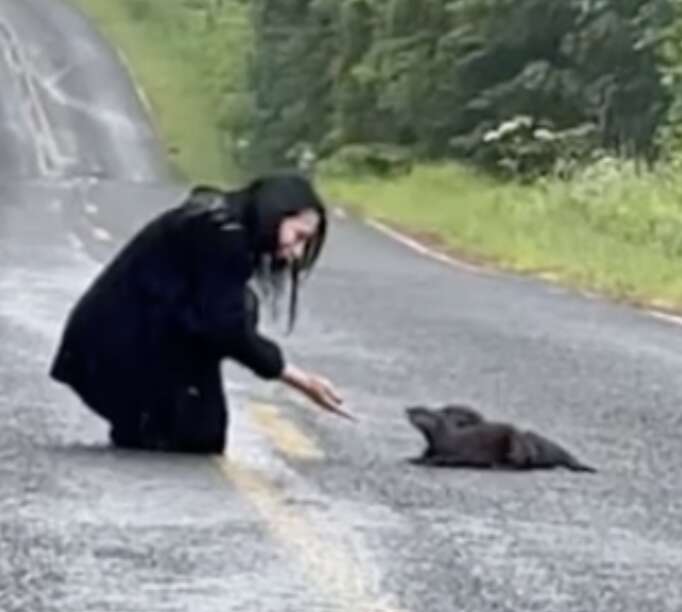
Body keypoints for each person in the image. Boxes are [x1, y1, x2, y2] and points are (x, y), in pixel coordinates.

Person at [49, 173, 348, 454]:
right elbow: (226, 328)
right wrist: (300, 380)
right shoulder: (223, 235)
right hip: (113, 349)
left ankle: (143, 423)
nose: (297, 252)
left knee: (201, 430)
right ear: (276, 212)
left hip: (114, 342)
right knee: (193, 437)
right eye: (298, 236)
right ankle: (143, 422)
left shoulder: (218, 220)